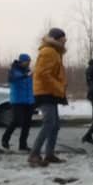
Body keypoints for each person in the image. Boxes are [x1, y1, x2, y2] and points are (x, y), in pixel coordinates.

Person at [29, 28, 68, 167]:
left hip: (50, 92)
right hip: (45, 92)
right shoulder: (48, 51)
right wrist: (58, 86)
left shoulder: (55, 51)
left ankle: (49, 154)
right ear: (56, 39)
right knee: (49, 123)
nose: (65, 41)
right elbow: (42, 74)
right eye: (63, 39)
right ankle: (34, 154)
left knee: (55, 125)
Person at [2, 53, 34, 152]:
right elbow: (13, 78)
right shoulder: (13, 70)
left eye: (29, 62)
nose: (28, 63)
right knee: (17, 121)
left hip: (29, 101)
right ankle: (5, 139)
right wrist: (25, 75)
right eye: (27, 61)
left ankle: (23, 145)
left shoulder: (28, 71)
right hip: (17, 101)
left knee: (27, 124)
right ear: (21, 61)